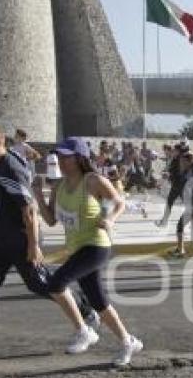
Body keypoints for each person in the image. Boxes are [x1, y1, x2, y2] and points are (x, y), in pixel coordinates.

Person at [0, 125, 97, 360]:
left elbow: (29, 211)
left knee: (39, 283)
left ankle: (85, 309)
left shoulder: (10, 168)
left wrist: (33, 246)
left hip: (20, 238)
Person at [32, 137, 143, 366]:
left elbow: (118, 202)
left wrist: (110, 219)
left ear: (79, 158)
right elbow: (51, 220)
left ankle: (83, 331)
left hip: (96, 245)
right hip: (77, 249)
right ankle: (127, 340)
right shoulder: (59, 187)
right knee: (98, 301)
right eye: (59, 157)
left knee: (56, 283)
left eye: (66, 157)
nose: (61, 161)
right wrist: (39, 196)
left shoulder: (93, 181)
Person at [156, 142, 189, 228]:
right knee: (169, 202)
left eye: (174, 150)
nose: (173, 151)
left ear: (178, 151)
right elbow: (171, 171)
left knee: (188, 205)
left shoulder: (182, 160)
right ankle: (164, 222)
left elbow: (182, 173)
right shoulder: (174, 159)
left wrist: (169, 175)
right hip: (176, 185)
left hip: (182, 186)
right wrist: (167, 174)